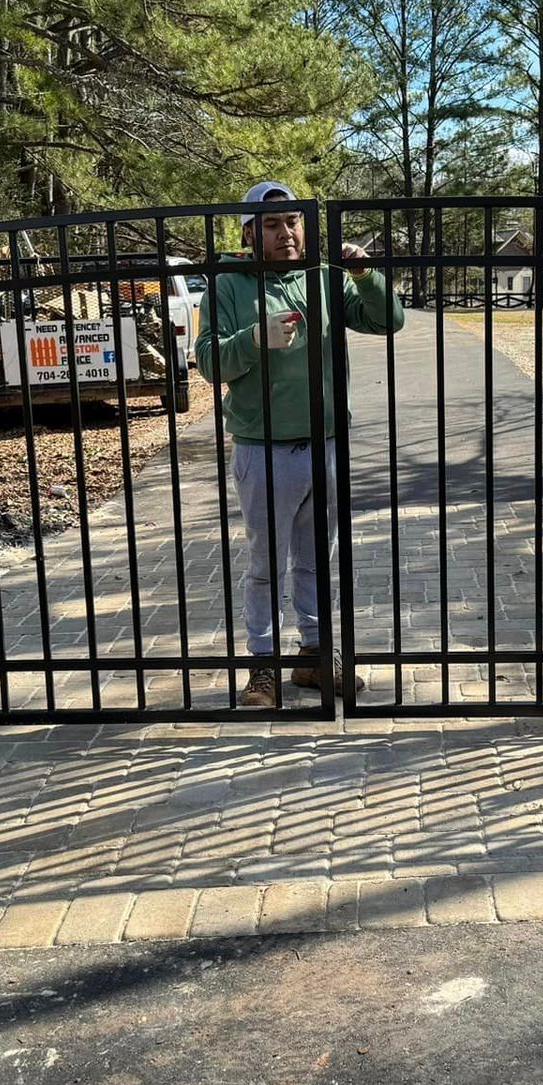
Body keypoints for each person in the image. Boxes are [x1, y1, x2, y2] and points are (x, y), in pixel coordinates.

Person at [194, 181, 404, 706]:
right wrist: (255, 338)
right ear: (249, 232)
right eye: (271, 225)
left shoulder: (326, 279)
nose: (285, 233)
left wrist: (365, 274)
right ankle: (262, 666)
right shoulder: (227, 284)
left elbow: (388, 320)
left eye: (292, 222)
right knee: (266, 563)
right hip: (263, 447)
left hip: (327, 442)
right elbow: (208, 363)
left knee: (316, 558)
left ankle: (313, 656)